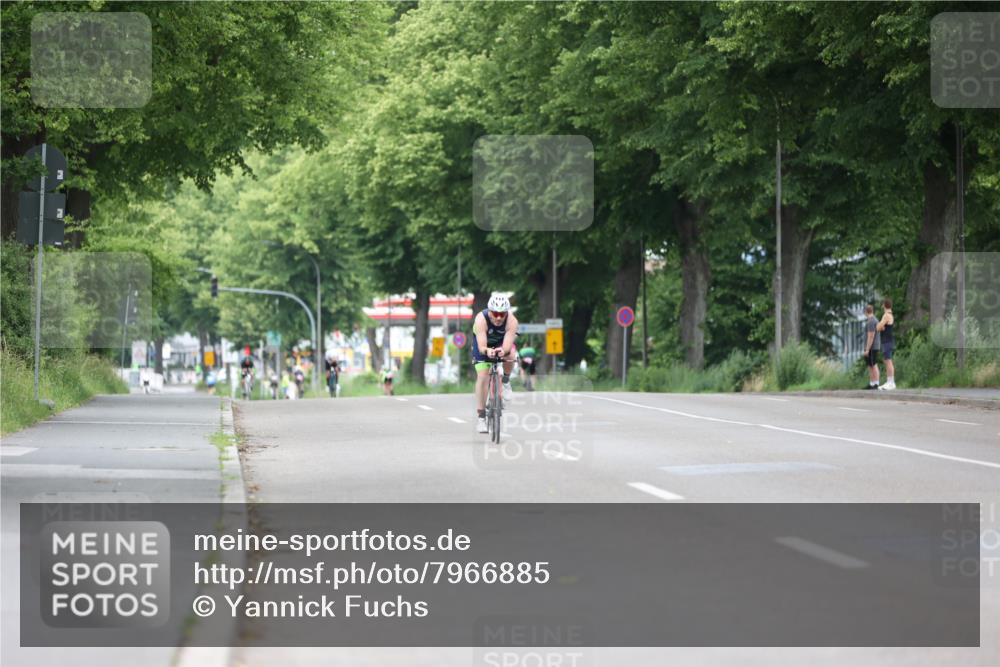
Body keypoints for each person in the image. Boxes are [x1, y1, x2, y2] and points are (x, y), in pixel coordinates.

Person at [472, 294, 519, 434]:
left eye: (502, 314)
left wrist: (502, 351)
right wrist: (487, 351)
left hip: (501, 344)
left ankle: (505, 380)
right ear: (490, 311)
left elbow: (507, 346)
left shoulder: (512, 321)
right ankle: (481, 418)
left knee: (510, 354)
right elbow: (481, 347)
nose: (499, 317)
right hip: (483, 344)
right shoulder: (481, 319)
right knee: (483, 376)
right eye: (495, 313)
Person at [877, 298, 896, 390]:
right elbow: (879, 327)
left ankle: (891, 383)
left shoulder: (886, 315)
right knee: (886, 360)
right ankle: (889, 381)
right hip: (886, 340)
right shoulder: (888, 315)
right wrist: (881, 326)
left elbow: (878, 327)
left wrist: (881, 326)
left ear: (884, 305)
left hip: (887, 341)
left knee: (888, 361)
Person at [863, 303, 881, 390]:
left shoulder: (871, 321)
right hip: (874, 346)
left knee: (873, 364)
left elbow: (871, 336)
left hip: (872, 347)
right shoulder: (875, 320)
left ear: (866, 312)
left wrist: (867, 349)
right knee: (870, 365)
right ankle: (872, 383)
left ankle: (876, 383)